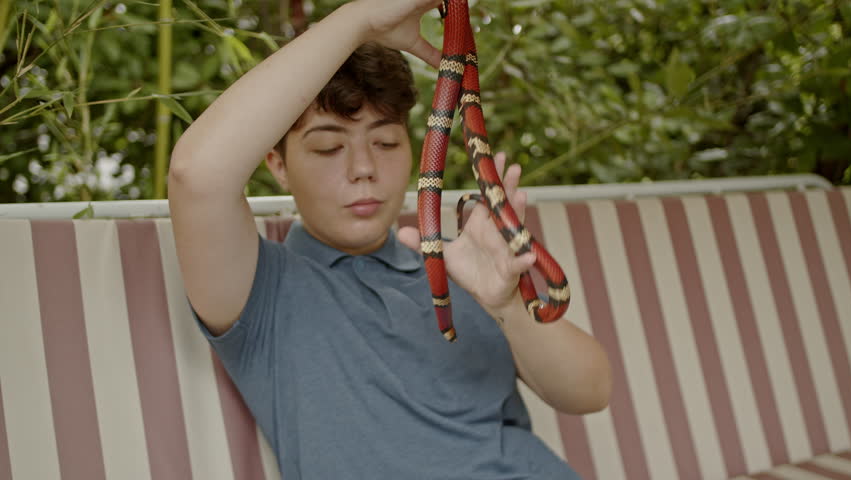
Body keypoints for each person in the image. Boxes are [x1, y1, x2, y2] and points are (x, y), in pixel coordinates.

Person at [167, 0, 612, 478]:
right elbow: (197, 176)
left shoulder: (463, 264)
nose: (364, 169)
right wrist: (359, 21)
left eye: (385, 143)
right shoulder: (264, 291)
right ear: (277, 164)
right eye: (328, 147)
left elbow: (590, 391)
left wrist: (504, 302)